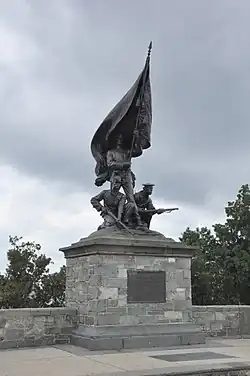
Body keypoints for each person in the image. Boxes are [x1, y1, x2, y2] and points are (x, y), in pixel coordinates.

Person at [107, 134, 141, 227]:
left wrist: (137, 138)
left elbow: (138, 152)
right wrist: (123, 165)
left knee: (131, 198)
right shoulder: (111, 152)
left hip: (126, 175)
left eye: (121, 139)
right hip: (116, 176)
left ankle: (137, 220)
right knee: (113, 197)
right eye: (118, 139)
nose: (120, 141)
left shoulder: (127, 152)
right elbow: (110, 164)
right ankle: (112, 220)